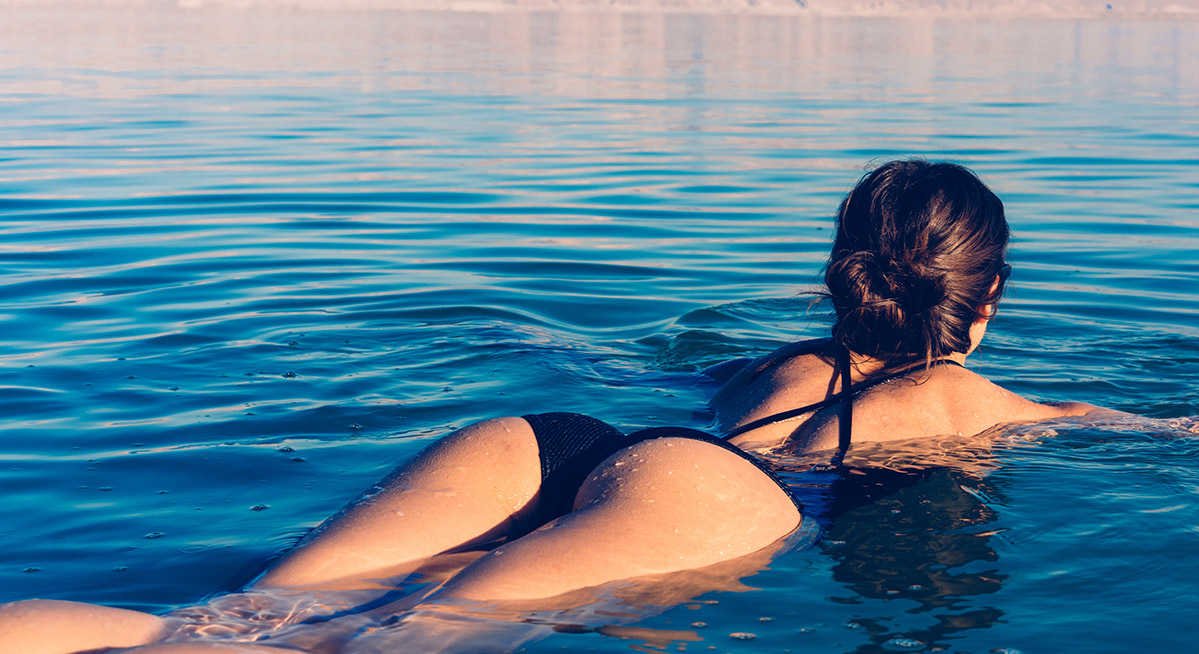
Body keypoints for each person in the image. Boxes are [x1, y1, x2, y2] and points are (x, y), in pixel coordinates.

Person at [0, 159, 1114, 654]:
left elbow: (664, 395)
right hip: (708, 497)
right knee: (375, 646)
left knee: (229, 622)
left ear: (837, 267)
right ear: (987, 295)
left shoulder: (772, 365)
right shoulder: (963, 393)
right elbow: (1158, 431)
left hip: (559, 441)